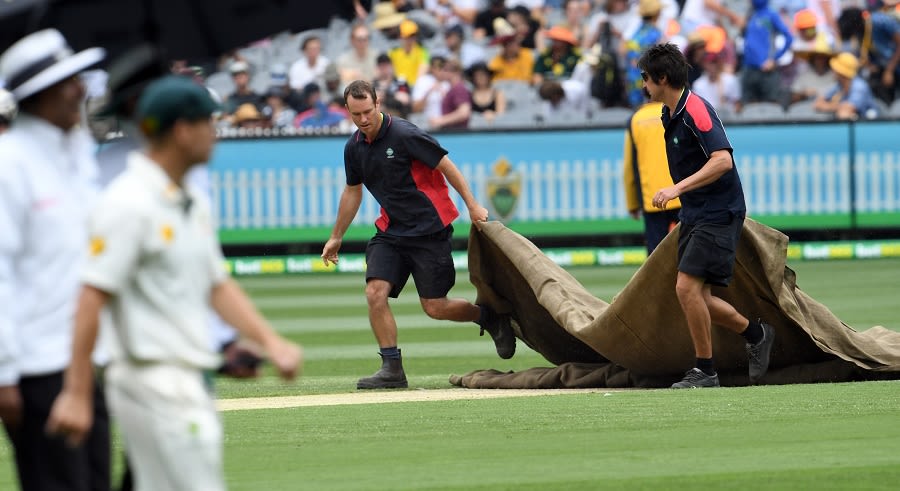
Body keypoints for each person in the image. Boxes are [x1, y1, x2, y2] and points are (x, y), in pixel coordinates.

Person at [45, 76, 303, 490]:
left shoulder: (190, 198)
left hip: (186, 375)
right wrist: (77, 393)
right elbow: (91, 296)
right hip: (151, 379)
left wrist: (271, 343)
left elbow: (216, 284)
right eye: (209, 123)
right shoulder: (128, 202)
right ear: (182, 131)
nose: (216, 134)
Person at [322, 80, 515, 390]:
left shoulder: (405, 134)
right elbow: (352, 191)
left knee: (435, 307)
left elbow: (447, 166)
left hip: (429, 230)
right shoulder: (353, 147)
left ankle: (488, 317)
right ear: (347, 110)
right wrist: (336, 236)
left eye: (367, 112)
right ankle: (392, 369)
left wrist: (473, 205)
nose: (363, 120)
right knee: (374, 292)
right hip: (391, 232)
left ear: (378, 103)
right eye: (355, 114)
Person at [0, 28, 111, 491]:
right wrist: (4, 374)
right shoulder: (10, 163)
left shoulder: (77, 155)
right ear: (39, 94)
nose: (80, 90)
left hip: (84, 359)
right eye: (68, 82)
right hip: (35, 370)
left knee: (95, 480)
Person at [637, 43, 775, 388]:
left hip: (718, 210)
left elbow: (723, 160)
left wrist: (676, 189)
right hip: (698, 211)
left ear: (662, 78)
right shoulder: (670, 113)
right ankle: (757, 334)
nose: (642, 85)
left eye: (645, 78)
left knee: (686, 289)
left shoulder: (696, 109)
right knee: (695, 295)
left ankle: (706, 371)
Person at [623, 100, 681, 254]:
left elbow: (629, 165)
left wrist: (632, 203)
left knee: (656, 255)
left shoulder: (635, 119)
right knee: (690, 248)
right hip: (682, 193)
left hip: (652, 198)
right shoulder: (678, 111)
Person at [814, 52, 880, 120]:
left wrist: (830, 106)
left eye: (835, 68)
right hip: (855, 124)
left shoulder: (859, 86)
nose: (832, 70)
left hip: (869, 126)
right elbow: (817, 104)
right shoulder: (839, 85)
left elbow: (848, 109)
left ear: (841, 72)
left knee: (843, 114)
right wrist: (838, 106)